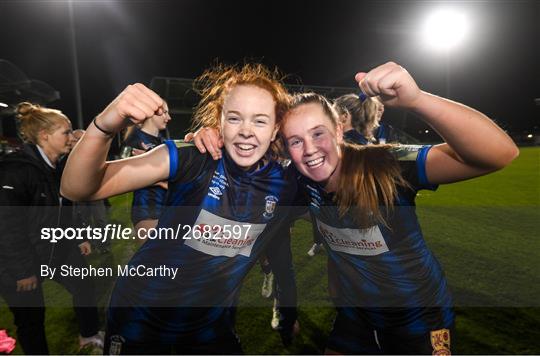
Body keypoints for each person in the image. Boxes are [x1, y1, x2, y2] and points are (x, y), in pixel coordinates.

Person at [192, 61, 519, 354]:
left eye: (317, 133)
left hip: (417, 314)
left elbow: (500, 154)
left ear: (338, 130)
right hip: (356, 314)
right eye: (295, 140)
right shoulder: (298, 180)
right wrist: (211, 138)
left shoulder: (383, 165)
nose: (309, 150)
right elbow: (242, 164)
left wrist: (417, 100)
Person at [60, 63, 300, 353]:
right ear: (219, 121)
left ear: (276, 128)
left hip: (211, 327)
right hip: (140, 317)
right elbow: (76, 188)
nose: (246, 131)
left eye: (260, 121)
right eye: (234, 118)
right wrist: (105, 125)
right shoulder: (191, 159)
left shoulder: (287, 183)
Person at [0, 103, 103, 354]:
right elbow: (7, 228)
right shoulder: (16, 170)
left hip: (53, 245)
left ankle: (89, 335)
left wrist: (78, 236)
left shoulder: (57, 166)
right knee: (31, 318)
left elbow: (65, 204)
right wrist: (23, 271)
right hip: (16, 260)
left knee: (83, 282)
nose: (71, 137)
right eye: (65, 132)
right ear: (44, 136)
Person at [121, 103, 171, 242]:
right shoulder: (135, 141)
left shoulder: (165, 142)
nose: (169, 117)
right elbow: (126, 176)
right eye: (165, 112)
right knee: (154, 260)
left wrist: (151, 162)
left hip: (169, 208)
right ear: (152, 113)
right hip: (149, 209)